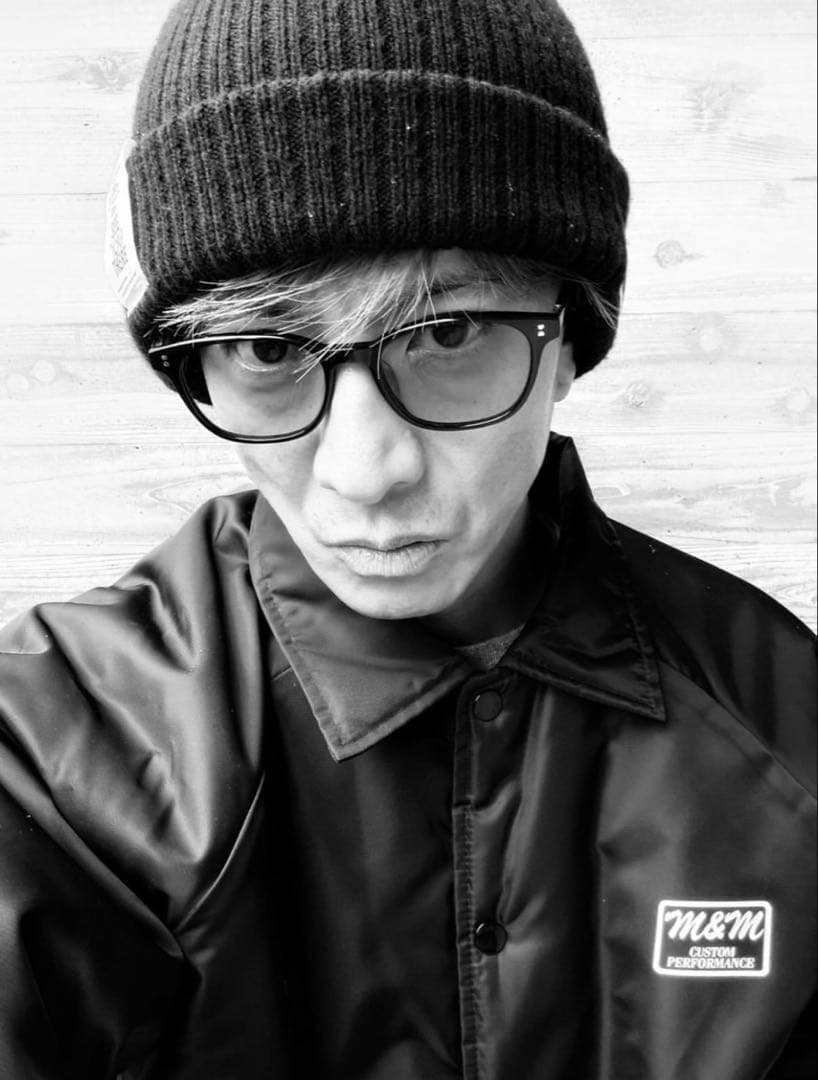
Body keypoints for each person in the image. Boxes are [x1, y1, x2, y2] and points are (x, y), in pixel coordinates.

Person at [0, 0, 814, 1076]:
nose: (365, 469)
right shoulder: (54, 757)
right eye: (265, 348)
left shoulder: (785, 740)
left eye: (448, 332)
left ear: (568, 341)